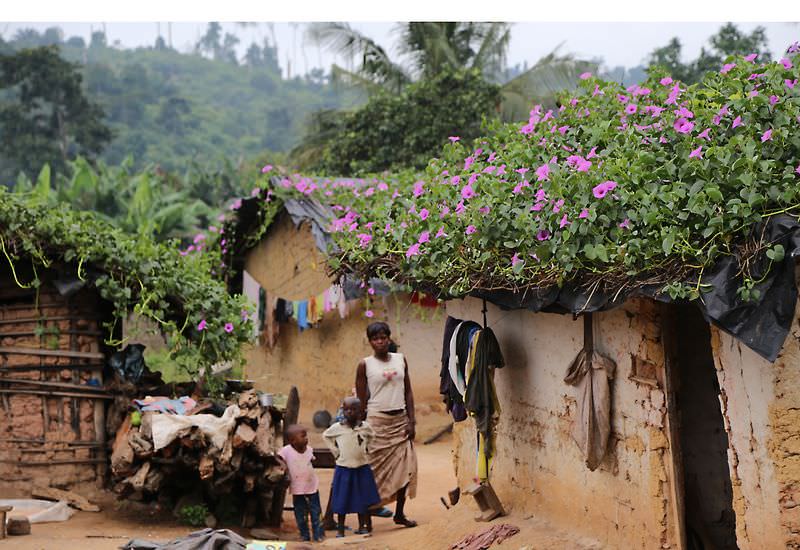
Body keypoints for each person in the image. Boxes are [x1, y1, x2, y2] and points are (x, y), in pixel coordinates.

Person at [355, 321, 419, 528]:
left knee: (407, 469)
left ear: (389, 338)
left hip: (400, 421)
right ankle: (367, 514)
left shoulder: (401, 360)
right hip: (376, 422)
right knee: (373, 471)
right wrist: (360, 425)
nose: (380, 341)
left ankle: (399, 513)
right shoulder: (365, 364)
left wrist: (412, 420)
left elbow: (408, 392)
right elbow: (361, 398)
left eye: (383, 337)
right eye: (375, 338)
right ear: (370, 342)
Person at [323, 396, 381, 537]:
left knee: (362, 498)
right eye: (346, 409)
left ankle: (362, 527)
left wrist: (367, 447)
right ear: (342, 411)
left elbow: (373, 436)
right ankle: (341, 530)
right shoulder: (337, 428)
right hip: (344, 468)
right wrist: (335, 451)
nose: (350, 412)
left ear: (360, 411)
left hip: (362, 467)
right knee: (342, 499)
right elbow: (326, 436)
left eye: (353, 409)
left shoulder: (365, 427)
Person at [277, 424, 324, 542]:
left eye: (306, 436)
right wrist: (283, 465)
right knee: (301, 515)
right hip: (298, 490)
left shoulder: (309, 449)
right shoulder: (287, 450)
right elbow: (277, 457)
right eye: (303, 436)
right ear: (292, 440)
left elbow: (311, 461)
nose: (306, 438)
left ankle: (318, 534)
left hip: (312, 487)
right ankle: (304, 535)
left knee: (316, 512)